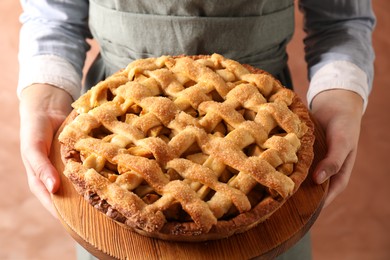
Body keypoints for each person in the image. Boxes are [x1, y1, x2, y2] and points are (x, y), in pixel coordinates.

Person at [17, 1, 375, 259]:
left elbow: (341, 23)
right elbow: (53, 19)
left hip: (258, 122)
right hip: (117, 123)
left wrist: (339, 96)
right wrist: (46, 98)